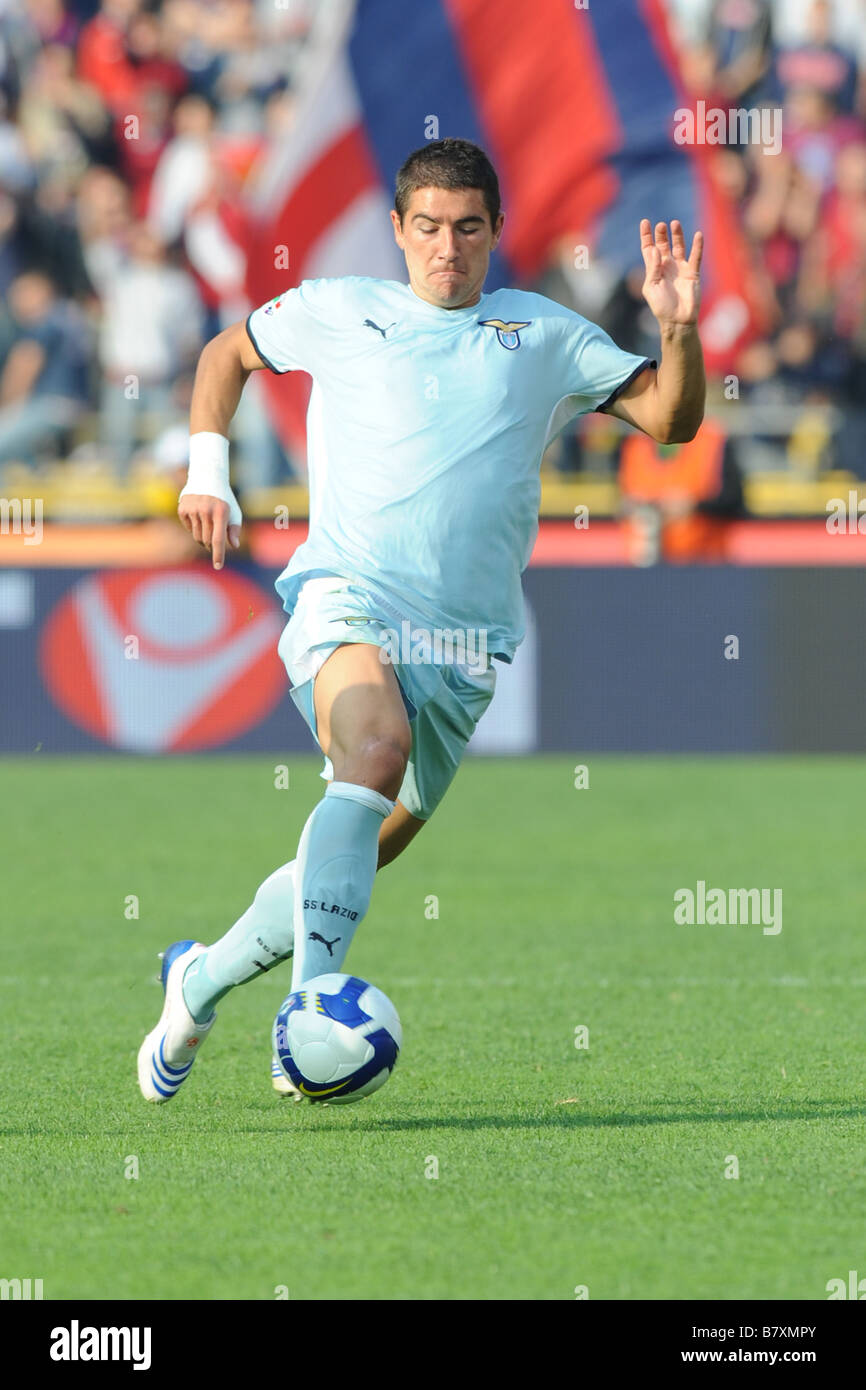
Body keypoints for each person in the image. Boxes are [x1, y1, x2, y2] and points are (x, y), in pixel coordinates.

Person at [137, 138, 705, 1103]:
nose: (449, 249)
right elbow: (226, 354)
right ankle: (311, 1016)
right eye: (430, 228)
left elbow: (673, 421)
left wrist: (680, 330)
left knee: (360, 841)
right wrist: (206, 470)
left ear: (495, 233)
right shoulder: (340, 309)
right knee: (374, 751)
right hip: (346, 597)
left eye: (470, 229)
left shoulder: (543, 334)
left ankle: (196, 983)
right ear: (399, 230)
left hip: (463, 648)